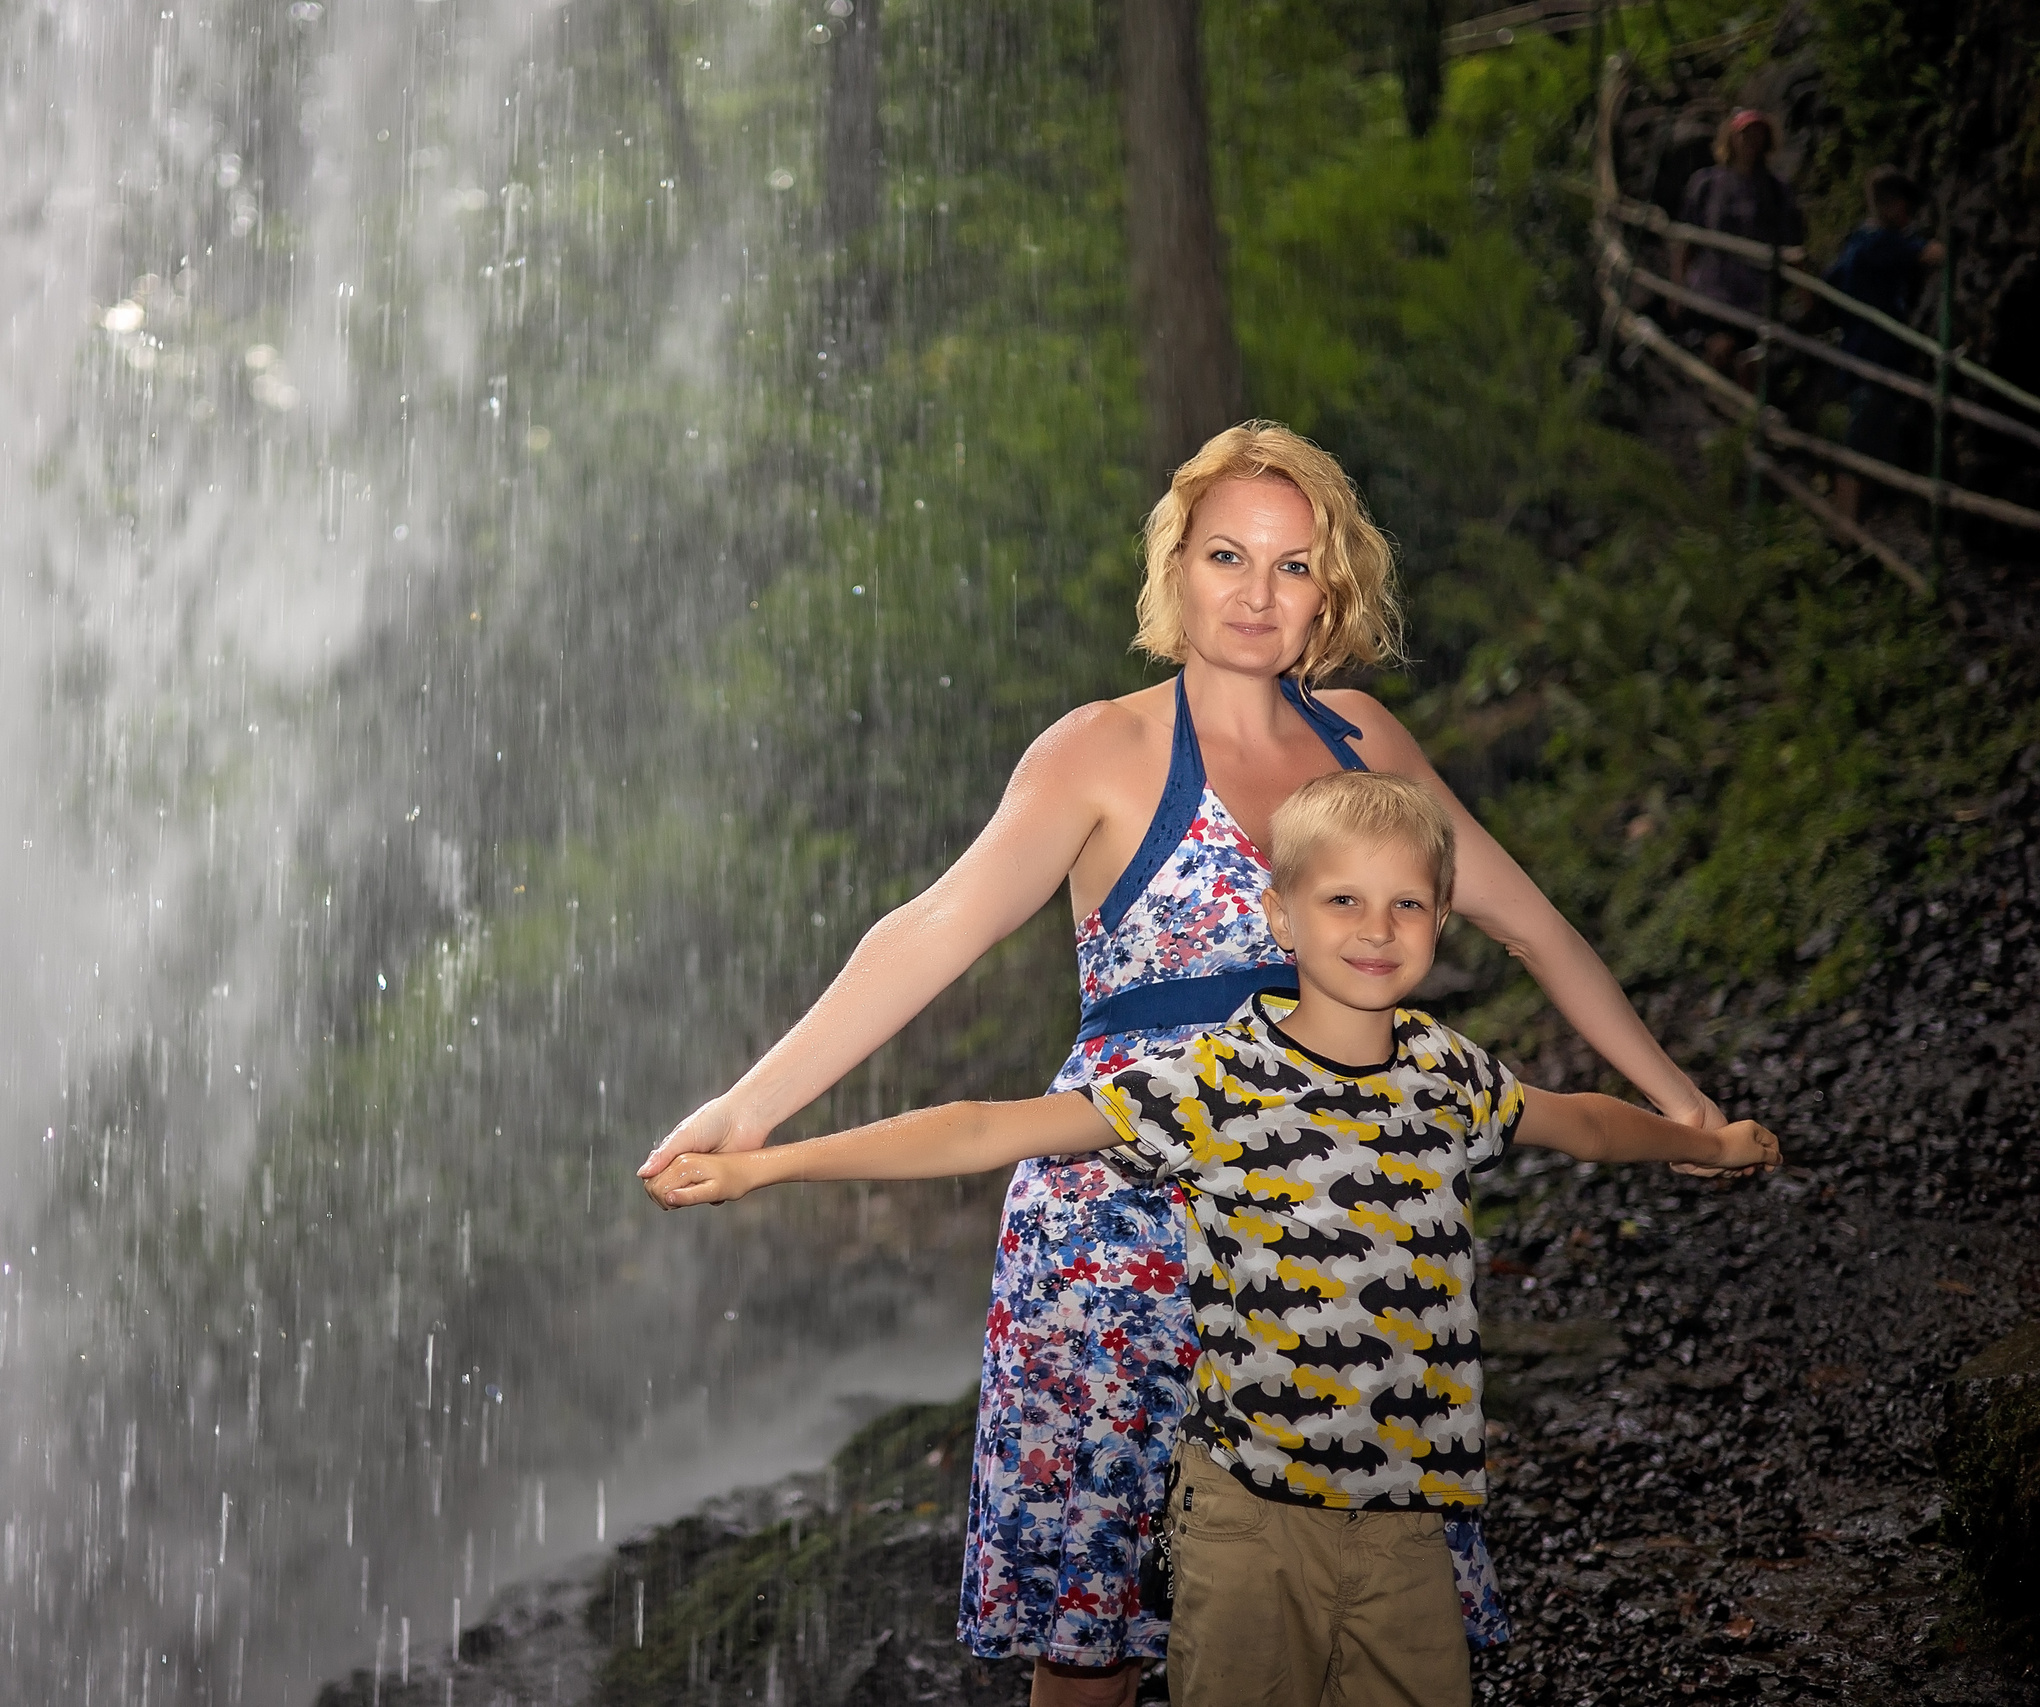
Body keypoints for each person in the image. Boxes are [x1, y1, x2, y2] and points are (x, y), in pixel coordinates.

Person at [638, 421, 1728, 1707]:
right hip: (1121, 1218)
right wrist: (750, 1111)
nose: (1258, 593)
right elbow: (927, 930)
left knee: (1343, 1611)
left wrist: (1685, 1106)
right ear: (1176, 568)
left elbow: (1529, 921)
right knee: (1095, 1635)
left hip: (1325, 1228)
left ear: (1335, 588)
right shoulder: (1100, 748)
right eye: (1227, 555)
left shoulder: (1364, 744)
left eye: (1294, 564)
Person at [647, 771, 1782, 1707]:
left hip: (1411, 1517)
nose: (1375, 931)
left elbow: (1575, 1121)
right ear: (1277, 917)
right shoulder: (1217, 1080)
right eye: (1340, 903)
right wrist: (769, 1156)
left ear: (1442, 920)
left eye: (1404, 906)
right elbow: (993, 1127)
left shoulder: (1444, 1071)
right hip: (1249, 1515)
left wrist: (1705, 1140)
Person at [1825, 165, 1946, 519]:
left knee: (1870, 443)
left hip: (1867, 352)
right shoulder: (1878, 243)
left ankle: (1855, 526)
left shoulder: (1857, 243)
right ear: (1890, 204)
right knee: (1861, 443)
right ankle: (1847, 529)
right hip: (1873, 356)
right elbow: (1931, 255)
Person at [1672, 109, 1806, 379]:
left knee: (1749, 360)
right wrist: (1677, 285)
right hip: (1711, 289)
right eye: (1745, 133)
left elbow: (1791, 240)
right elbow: (1688, 239)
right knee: (1718, 348)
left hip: (1754, 294)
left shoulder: (1775, 189)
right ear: (1732, 138)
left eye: (1758, 134)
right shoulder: (1706, 184)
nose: (1751, 140)